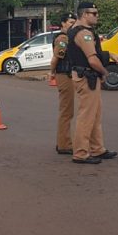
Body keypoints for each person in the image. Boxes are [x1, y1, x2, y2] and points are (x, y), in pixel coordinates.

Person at [65, 2, 118, 164]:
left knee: (94, 115)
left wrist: (109, 54)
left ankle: (97, 149)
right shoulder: (83, 34)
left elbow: (94, 54)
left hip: (86, 76)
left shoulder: (79, 32)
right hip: (87, 77)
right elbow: (93, 59)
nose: (97, 16)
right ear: (84, 14)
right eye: (94, 13)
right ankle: (81, 153)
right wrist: (105, 72)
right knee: (86, 117)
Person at [50, 13, 78, 155]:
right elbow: (56, 58)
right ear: (63, 23)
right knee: (66, 111)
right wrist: (52, 72)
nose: (72, 24)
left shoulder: (69, 37)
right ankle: (64, 144)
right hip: (64, 75)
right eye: (70, 22)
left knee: (68, 111)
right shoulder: (62, 38)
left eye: (74, 22)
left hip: (67, 75)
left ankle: (65, 142)